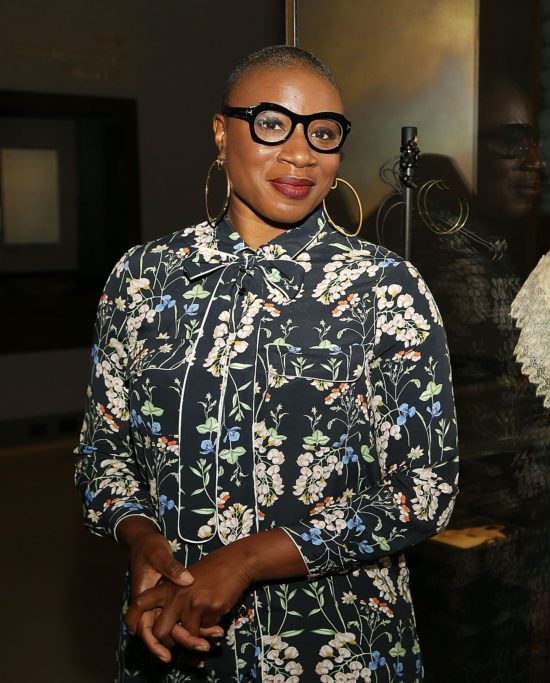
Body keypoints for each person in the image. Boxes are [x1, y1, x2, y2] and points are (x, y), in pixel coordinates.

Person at [73, 45, 458, 682]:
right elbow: (103, 451)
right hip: (168, 633)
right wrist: (140, 540)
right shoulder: (144, 277)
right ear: (222, 134)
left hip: (335, 646)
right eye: (273, 124)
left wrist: (248, 560)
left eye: (324, 133)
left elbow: (425, 490)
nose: (301, 153)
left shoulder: (384, 288)